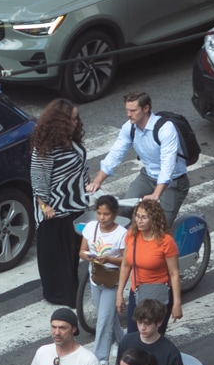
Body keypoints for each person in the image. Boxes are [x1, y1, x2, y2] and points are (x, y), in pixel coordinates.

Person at [91, 91, 191, 226]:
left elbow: (168, 165)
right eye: (127, 110)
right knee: (123, 212)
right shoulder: (129, 127)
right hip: (148, 177)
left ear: (146, 109)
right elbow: (116, 153)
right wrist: (97, 181)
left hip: (174, 182)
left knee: (160, 226)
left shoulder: (165, 129)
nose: (128, 114)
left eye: (133, 110)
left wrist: (156, 194)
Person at [31, 99, 89, 305]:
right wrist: (45, 206)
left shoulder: (72, 141)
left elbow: (82, 168)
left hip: (75, 207)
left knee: (71, 256)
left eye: (76, 118)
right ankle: (62, 297)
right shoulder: (45, 149)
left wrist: (86, 190)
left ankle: (67, 294)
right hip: (56, 212)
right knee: (58, 259)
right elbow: (39, 180)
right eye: (71, 119)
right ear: (60, 121)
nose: (76, 122)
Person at [78, 189, 127, 365]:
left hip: (112, 281)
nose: (102, 217)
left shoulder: (121, 234)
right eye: (99, 213)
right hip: (95, 277)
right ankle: (124, 344)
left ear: (114, 214)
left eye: (106, 214)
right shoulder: (91, 228)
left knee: (103, 321)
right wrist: (88, 256)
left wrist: (108, 259)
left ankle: (101, 361)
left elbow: (126, 261)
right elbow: (82, 251)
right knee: (107, 317)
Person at [120, 196, 182, 333]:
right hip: (137, 293)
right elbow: (125, 266)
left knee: (153, 337)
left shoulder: (166, 241)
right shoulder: (131, 235)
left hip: (158, 296)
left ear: (153, 219)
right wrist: (119, 294)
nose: (139, 220)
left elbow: (174, 273)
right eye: (137, 216)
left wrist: (177, 303)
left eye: (144, 217)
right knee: (134, 336)